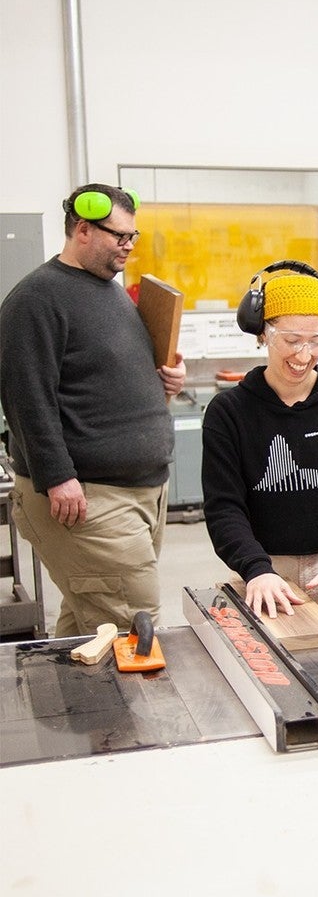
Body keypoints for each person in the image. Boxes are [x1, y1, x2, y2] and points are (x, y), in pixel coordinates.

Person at [0, 183, 186, 637]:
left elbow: (108, 377)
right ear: (82, 229)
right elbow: (25, 396)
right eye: (118, 236)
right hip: (86, 498)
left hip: (139, 493)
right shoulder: (37, 299)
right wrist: (56, 476)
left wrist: (165, 382)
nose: (127, 246)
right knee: (131, 625)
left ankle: (66, 705)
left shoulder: (112, 293)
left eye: (132, 237)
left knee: (93, 621)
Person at [201, 261, 318, 618]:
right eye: (291, 341)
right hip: (263, 573)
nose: (304, 355)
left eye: (317, 341)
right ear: (262, 334)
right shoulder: (229, 412)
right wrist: (256, 569)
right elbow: (225, 508)